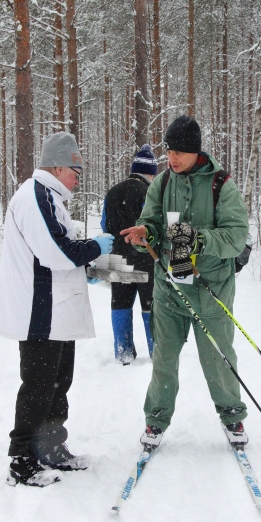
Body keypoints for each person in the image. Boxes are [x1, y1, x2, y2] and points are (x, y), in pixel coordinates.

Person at [121, 116, 250, 452]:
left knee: (218, 358)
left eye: (179, 151)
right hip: (170, 288)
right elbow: (150, 224)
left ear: (195, 151)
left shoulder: (221, 185)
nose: (172, 158)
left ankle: (232, 415)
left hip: (212, 289)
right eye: (169, 151)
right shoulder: (161, 184)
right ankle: (156, 418)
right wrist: (143, 234)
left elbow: (237, 238)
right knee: (163, 358)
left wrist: (199, 240)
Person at [0, 131, 114, 487]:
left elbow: (56, 252)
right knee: (37, 386)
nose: (79, 179)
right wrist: (93, 247)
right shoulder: (34, 197)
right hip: (38, 313)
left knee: (58, 383)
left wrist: (86, 268)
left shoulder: (50, 197)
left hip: (55, 311)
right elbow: (56, 252)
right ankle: (22, 461)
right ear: (59, 167)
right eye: (76, 171)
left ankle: (50, 448)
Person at [101, 144, 157, 364]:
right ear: (150, 173)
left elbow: (104, 223)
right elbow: (153, 225)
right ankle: (156, 352)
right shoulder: (148, 192)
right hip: (145, 258)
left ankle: (123, 353)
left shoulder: (113, 192)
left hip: (117, 257)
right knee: (150, 306)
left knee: (120, 304)